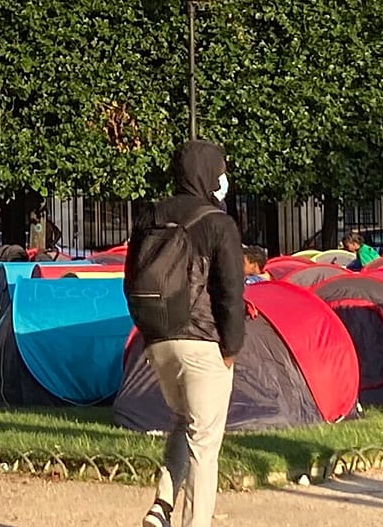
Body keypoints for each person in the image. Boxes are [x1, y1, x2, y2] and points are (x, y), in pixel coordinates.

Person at [130, 140, 245, 527]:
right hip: (203, 341)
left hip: (158, 339)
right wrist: (231, 347)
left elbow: (130, 279)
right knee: (205, 444)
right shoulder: (218, 222)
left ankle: (162, 504)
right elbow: (230, 292)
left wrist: (148, 333)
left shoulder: (148, 217)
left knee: (184, 420)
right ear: (209, 171)